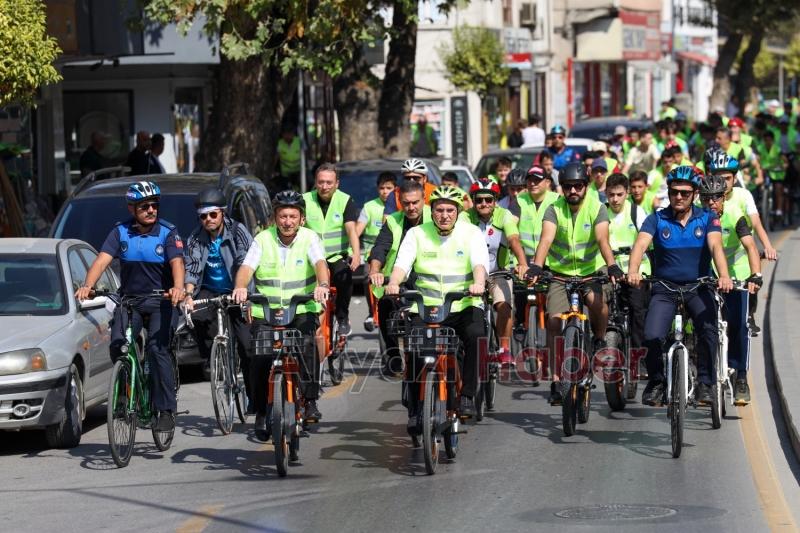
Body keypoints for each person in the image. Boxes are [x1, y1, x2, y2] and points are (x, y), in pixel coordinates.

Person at [75, 181, 184, 431]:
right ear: (131, 208)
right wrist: (87, 285)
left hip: (162, 301)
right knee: (118, 346)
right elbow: (102, 261)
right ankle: (125, 390)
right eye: (144, 206)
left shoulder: (168, 232)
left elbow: (177, 263)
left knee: (158, 351)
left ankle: (165, 409)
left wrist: (177, 287)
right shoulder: (120, 232)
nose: (151, 210)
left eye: (154, 205)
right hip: (130, 301)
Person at [627, 166, 733, 406]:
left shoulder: (707, 218)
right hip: (665, 288)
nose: (679, 197)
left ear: (695, 193)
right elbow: (640, 245)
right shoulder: (656, 218)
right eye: (675, 192)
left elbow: (716, 247)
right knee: (652, 335)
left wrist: (723, 276)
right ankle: (656, 382)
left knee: (708, 330)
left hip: (698, 287)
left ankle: (706, 383)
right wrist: (633, 271)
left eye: (685, 193)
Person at [385, 186, 489, 421]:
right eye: (439, 210)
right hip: (425, 306)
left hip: (463, 304)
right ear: (431, 212)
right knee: (414, 349)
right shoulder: (417, 234)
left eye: (450, 210)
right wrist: (394, 282)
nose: (444, 215)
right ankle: (414, 407)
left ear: (458, 211)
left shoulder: (471, 233)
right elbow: (402, 264)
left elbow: (479, 264)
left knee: (476, 336)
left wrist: (479, 284)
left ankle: (467, 396)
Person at [232, 191, 330, 436]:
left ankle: (309, 401)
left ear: (302, 219)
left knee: (307, 344)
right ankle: (261, 409)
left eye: (292, 216)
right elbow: (246, 267)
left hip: (301, 309)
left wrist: (323, 286)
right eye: (282, 216)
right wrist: (240, 287)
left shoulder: (310, 238)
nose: (287, 221)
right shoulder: (262, 239)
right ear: (275, 218)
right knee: (261, 357)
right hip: (267, 311)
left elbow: (320, 264)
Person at [528, 163, 624, 404]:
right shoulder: (553, 209)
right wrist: (537, 266)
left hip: (591, 271)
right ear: (562, 188)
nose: (573, 191)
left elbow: (602, 239)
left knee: (596, 302)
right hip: (560, 274)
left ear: (586, 187)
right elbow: (546, 240)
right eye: (568, 186)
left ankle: (600, 339)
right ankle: (556, 379)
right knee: (552, 322)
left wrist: (611, 265)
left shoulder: (597, 207)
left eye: (578, 186)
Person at [182, 187, 255, 412]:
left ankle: (254, 397)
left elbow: (247, 260)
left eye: (213, 214)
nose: (208, 220)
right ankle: (214, 354)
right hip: (210, 289)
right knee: (193, 315)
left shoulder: (238, 231)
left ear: (222, 213)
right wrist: (187, 295)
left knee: (247, 345)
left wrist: (243, 292)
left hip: (238, 288)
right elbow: (193, 268)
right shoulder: (196, 238)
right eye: (203, 216)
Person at [697, 173, 762, 405]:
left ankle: (741, 378)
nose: (711, 203)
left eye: (715, 198)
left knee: (738, 326)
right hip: (707, 276)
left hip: (737, 274)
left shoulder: (736, 215)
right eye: (706, 199)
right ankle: (701, 376)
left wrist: (756, 275)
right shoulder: (696, 215)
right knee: (702, 326)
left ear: (724, 197)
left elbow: (751, 246)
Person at [368, 180, 429, 374]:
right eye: (406, 203)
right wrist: (375, 270)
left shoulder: (436, 216)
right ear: (399, 201)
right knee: (385, 305)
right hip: (398, 279)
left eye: (415, 202)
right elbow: (380, 248)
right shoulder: (393, 220)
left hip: (428, 279)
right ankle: (393, 354)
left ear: (424, 199)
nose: (411, 207)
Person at [466, 178, 528, 365]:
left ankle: (504, 348)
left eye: (488, 199)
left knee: (504, 306)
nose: (483, 204)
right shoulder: (465, 217)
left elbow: (514, 239)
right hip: (471, 274)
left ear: (495, 200)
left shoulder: (505, 215)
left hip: (498, 272)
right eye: (479, 200)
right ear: (474, 201)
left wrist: (523, 263)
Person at [303, 163, 360, 335]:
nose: (324, 186)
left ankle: (342, 317)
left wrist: (356, 254)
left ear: (337, 184)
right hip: (311, 257)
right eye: (321, 182)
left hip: (335, 256)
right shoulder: (305, 199)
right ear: (315, 182)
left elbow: (351, 229)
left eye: (329, 182)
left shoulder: (345, 200)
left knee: (344, 277)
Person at [605, 173, 650, 358]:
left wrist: (637, 271)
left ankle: (639, 355)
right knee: (601, 307)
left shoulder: (636, 212)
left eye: (619, 194)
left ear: (627, 193)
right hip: (610, 271)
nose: (615, 199)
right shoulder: (601, 212)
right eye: (611, 195)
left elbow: (647, 243)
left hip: (637, 271)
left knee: (638, 311)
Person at [358, 172, 396, 331]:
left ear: (395, 189)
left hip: (392, 254)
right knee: (368, 276)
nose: (385, 191)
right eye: (382, 188)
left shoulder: (399, 205)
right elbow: (357, 229)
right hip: (371, 255)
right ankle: (371, 311)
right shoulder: (369, 207)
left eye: (389, 188)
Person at [757, 130, 789, 222]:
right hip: (764, 172)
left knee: (778, 188)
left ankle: (779, 209)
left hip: (776, 173)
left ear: (772, 140)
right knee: (759, 187)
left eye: (769, 140)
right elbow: (757, 159)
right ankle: (761, 204)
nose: (767, 142)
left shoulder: (777, 149)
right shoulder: (760, 148)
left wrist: (784, 166)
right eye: (765, 140)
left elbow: (785, 161)